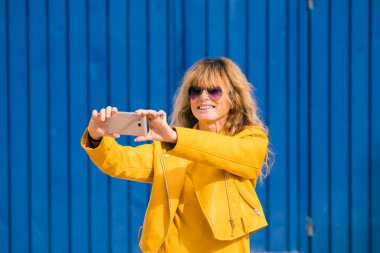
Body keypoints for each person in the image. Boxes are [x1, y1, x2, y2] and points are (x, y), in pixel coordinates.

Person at [81, 57, 271, 252]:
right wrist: (97, 136)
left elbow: (226, 151)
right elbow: (120, 162)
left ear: (233, 99)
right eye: (195, 91)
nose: (203, 97)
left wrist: (173, 137)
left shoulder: (251, 140)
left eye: (214, 91)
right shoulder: (171, 148)